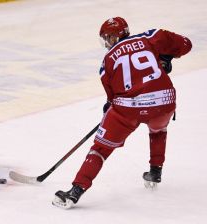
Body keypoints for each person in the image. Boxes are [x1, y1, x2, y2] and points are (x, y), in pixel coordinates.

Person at [52, 17, 192, 209]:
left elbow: (112, 97)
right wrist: (166, 57)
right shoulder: (151, 37)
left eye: (107, 38)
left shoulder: (107, 61)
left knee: (100, 149)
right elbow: (186, 44)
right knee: (158, 130)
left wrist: (107, 114)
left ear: (113, 37)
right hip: (163, 101)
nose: (107, 44)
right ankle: (155, 171)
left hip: (128, 108)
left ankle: (75, 191)